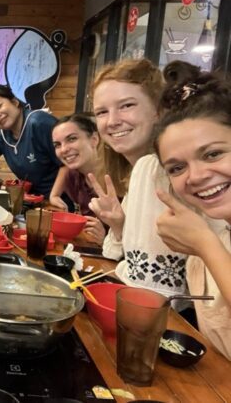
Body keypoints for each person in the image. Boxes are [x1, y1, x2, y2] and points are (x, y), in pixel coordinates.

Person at [88, 59, 189, 299]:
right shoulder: (137, 172)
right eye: (102, 112)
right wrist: (119, 225)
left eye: (126, 105)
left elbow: (153, 291)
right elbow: (127, 257)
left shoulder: (156, 168)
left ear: (158, 110)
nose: (112, 121)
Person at [154, 61, 230, 360]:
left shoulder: (207, 243)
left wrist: (203, 244)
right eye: (177, 167)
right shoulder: (215, 239)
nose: (195, 176)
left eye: (212, 154)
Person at [0, 85, 62, 199]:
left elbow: (66, 164)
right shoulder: (3, 134)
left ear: (14, 102)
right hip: (34, 199)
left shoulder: (39, 122)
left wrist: (55, 195)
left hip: (60, 199)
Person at [50, 113, 106, 243]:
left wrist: (108, 239)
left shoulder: (119, 177)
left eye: (72, 139)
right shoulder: (72, 176)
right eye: (57, 145)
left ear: (94, 139)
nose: (63, 149)